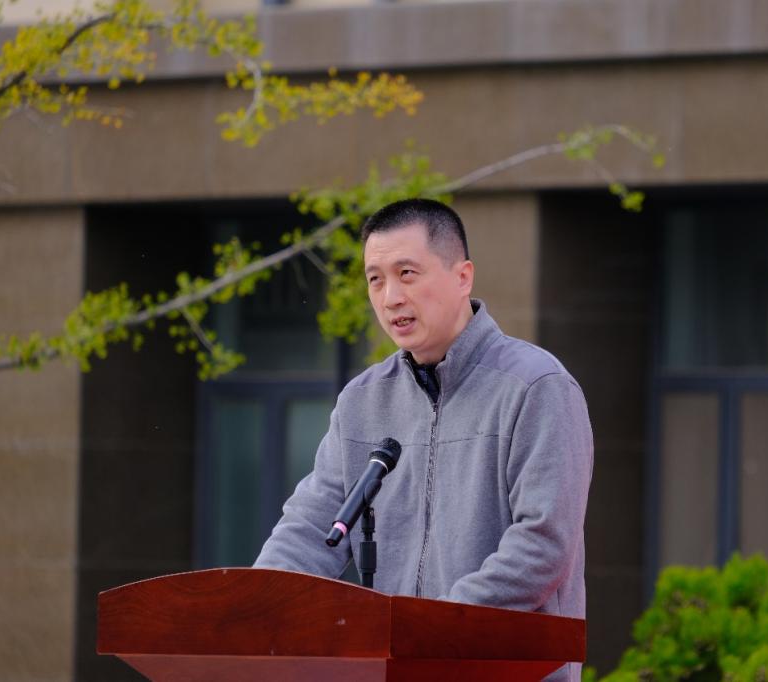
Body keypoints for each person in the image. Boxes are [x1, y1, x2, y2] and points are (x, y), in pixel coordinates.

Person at [254, 198, 593, 681]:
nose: (390, 297)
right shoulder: (362, 402)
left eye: (407, 273)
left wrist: (427, 632)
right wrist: (251, 610)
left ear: (463, 277)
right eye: (375, 279)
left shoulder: (536, 387)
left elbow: (543, 546)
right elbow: (311, 529)